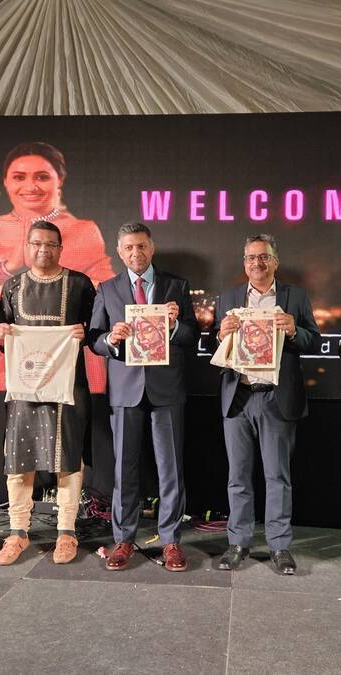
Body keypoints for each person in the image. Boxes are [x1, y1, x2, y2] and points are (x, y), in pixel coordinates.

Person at [0, 141, 114, 392]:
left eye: (42, 177)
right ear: (6, 182)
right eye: (19, 177)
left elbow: (104, 289)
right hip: (7, 355)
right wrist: (10, 266)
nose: (30, 186)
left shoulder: (83, 231)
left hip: (66, 354)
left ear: (59, 180)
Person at [89, 222, 199, 571]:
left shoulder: (176, 286)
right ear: (119, 252)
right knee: (125, 469)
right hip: (125, 389)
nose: (135, 253)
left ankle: (170, 541)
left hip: (166, 389)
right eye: (128, 248)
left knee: (170, 470)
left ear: (151, 248)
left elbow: (193, 335)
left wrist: (175, 326)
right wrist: (111, 338)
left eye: (141, 246)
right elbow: (94, 339)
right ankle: (123, 539)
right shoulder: (107, 289)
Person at [208, 234, 321, 575]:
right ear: (244, 263)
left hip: (275, 397)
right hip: (239, 396)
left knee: (277, 477)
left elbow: (312, 340)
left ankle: (279, 546)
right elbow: (212, 340)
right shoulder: (227, 298)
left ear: (275, 261)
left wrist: (292, 331)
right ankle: (238, 543)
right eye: (251, 257)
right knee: (238, 477)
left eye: (264, 257)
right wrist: (219, 332)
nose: (257, 263)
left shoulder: (294, 297)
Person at [0, 221, 96, 566]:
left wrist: (87, 333)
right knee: (19, 457)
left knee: (68, 456)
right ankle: (17, 531)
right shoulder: (13, 285)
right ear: (27, 245)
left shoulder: (80, 285)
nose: (43, 250)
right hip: (25, 385)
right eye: (37, 243)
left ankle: (67, 531)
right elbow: (1, 329)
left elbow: (97, 332)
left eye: (51, 245)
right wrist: (0, 334)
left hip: (68, 387)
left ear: (61, 248)